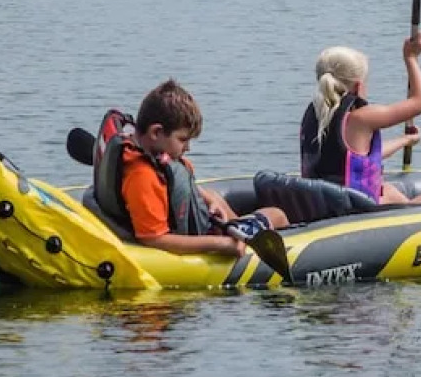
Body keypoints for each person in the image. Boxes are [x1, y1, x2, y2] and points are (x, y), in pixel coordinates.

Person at [113, 80, 289, 256]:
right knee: (278, 215)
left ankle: (241, 227)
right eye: (183, 140)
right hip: (203, 235)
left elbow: (175, 187)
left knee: (215, 197)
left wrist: (208, 199)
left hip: (207, 222)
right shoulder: (142, 175)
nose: (187, 148)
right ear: (156, 132)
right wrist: (220, 244)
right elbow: (153, 238)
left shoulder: (140, 152)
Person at [299, 34, 421, 206]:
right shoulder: (362, 118)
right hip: (354, 211)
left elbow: (357, 158)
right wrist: (411, 58)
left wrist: (405, 140)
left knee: (388, 191)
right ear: (358, 86)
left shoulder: (315, 114)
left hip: (320, 205)